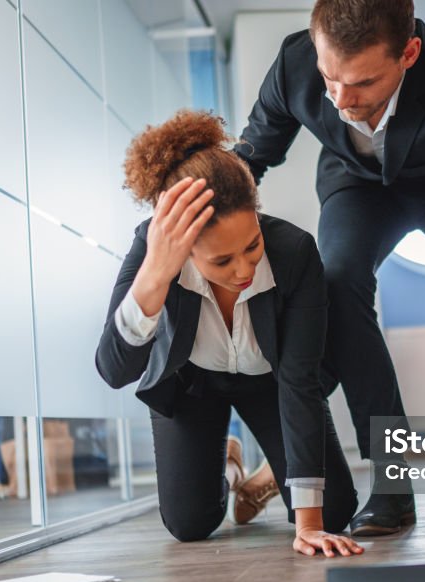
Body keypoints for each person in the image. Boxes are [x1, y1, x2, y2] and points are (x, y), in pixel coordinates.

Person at [235, 0, 425, 533]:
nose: (341, 101)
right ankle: (392, 481)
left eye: (362, 83)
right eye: (332, 79)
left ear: (410, 53)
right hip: (356, 186)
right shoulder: (296, 64)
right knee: (335, 282)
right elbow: (248, 159)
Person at [96, 110, 363, 558]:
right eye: (222, 262)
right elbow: (113, 369)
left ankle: (268, 477)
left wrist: (310, 526)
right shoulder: (153, 249)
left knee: (333, 508)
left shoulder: (295, 253)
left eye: (252, 246)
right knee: (190, 525)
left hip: (272, 383)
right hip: (191, 385)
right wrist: (157, 273)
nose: (243, 270)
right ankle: (231, 462)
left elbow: (300, 382)